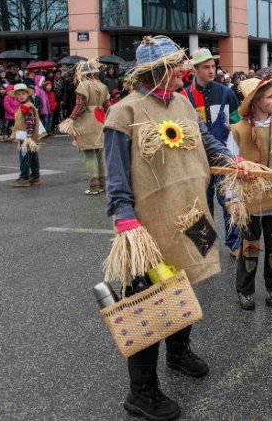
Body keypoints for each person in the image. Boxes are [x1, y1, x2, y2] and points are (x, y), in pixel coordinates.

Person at [104, 35, 242, 420]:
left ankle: (179, 352)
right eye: (176, 66)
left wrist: (231, 161)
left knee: (190, 280)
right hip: (147, 224)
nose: (184, 71)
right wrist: (125, 218)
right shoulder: (123, 113)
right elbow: (116, 176)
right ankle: (141, 393)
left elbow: (206, 139)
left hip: (193, 214)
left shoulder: (182, 101)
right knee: (147, 303)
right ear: (158, 71)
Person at [227, 77, 272, 310]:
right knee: (249, 246)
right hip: (249, 199)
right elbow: (230, 167)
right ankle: (245, 290)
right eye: (269, 97)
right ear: (256, 102)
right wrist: (234, 198)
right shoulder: (238, 131)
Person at [180, 48, 242, 255]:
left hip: (223, 156)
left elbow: (237, 123)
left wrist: (237, 150)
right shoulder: (184, 96)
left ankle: (234, 243)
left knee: (229, 200)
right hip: (196, 159)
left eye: (213, 66)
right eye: (206, 67)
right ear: (195, 70)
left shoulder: (226, 92)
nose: (211, 70)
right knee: (200, 203)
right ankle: (204, 247)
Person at [60, 60, 110, 195]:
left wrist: (72, 118)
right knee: (100, 154)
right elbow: (108, 106)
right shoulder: (102, 86)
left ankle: (94, 186)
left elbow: (80, 105)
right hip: (100, 120)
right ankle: (102, 184)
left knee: (89, 155)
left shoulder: (83, 85)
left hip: (87, 120)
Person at [10, 83, 45, 187]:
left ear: (27, 94)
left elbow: (30, 122)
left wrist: (28, 136)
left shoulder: (26, 106)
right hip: (28, 136)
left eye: (23, 94)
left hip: (26, 137)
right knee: (33, 155)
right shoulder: (25, 105)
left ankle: (24, 177)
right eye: (19, 94)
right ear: (16, 96)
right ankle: (35, 176)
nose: (21, 96)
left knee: (24, 156)